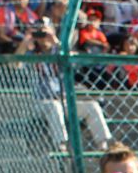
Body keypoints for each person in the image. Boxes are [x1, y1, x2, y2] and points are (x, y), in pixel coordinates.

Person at [17, 20, 113, 152]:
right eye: (39, 33)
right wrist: (27, 39)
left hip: (63, 101)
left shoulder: (59, 51)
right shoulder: (31, 54)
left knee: (92, 106)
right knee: (54, 106)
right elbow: (15, 65)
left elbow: (72, 62)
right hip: (39, 102)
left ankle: (103, 147)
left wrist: (55, 40)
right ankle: (61, 145)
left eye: (44, 32)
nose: (42, 37)